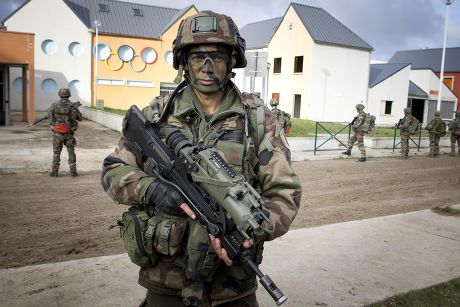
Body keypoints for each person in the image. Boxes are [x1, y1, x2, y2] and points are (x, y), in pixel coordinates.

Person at [101, 11, 301, 307]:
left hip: (232, 290)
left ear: (232, 61)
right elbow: (113, 171)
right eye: (198, 57)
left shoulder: (258, 120)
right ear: (184, 62)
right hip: (166, 283)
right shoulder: (158, 115)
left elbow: (285, 193)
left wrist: (253, 231)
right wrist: (152, 190)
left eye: (217, 57)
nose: (207, 68)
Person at [48, 88, 82, 177]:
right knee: (71, 152)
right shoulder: (73, 106)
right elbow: (80, 118)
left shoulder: (54, 105)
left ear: (59, 94)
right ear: (69, 95)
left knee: (56, 152)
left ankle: (54, 172)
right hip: (69, 133)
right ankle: (73, 171)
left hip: (57, 133)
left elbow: (50, 117)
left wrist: (53, 125)